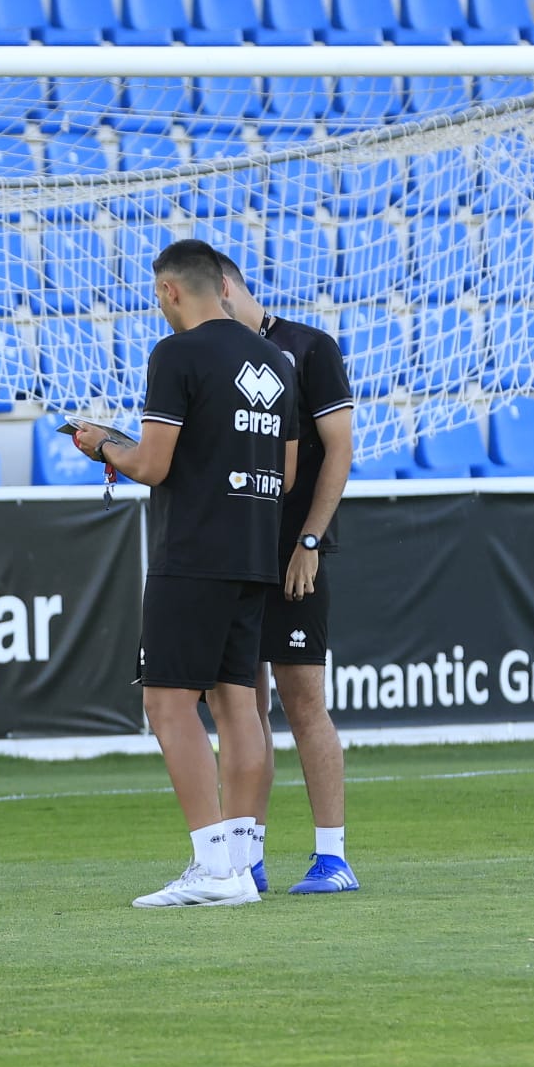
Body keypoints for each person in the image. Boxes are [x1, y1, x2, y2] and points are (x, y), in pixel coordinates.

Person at [73, 239, 298, 909]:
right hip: (255, 548)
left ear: (172, 291)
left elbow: (151, 466)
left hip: (194, 551)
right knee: (238, 705)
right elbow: (284, 475)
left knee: (168, 701)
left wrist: (99, 442)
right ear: (223, 287)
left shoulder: (177, 355)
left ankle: (213, 867)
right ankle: (241, 863)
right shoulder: (275, 360)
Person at [216, 252, 360, 896]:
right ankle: (245, 858)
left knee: (303, 702)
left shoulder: (309, 348)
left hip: (293, 556)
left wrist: (309, 539)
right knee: (240, 708)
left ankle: (333, 858)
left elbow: (340, 449)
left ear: (223, 289)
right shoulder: (210, 357)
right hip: (232, 559)